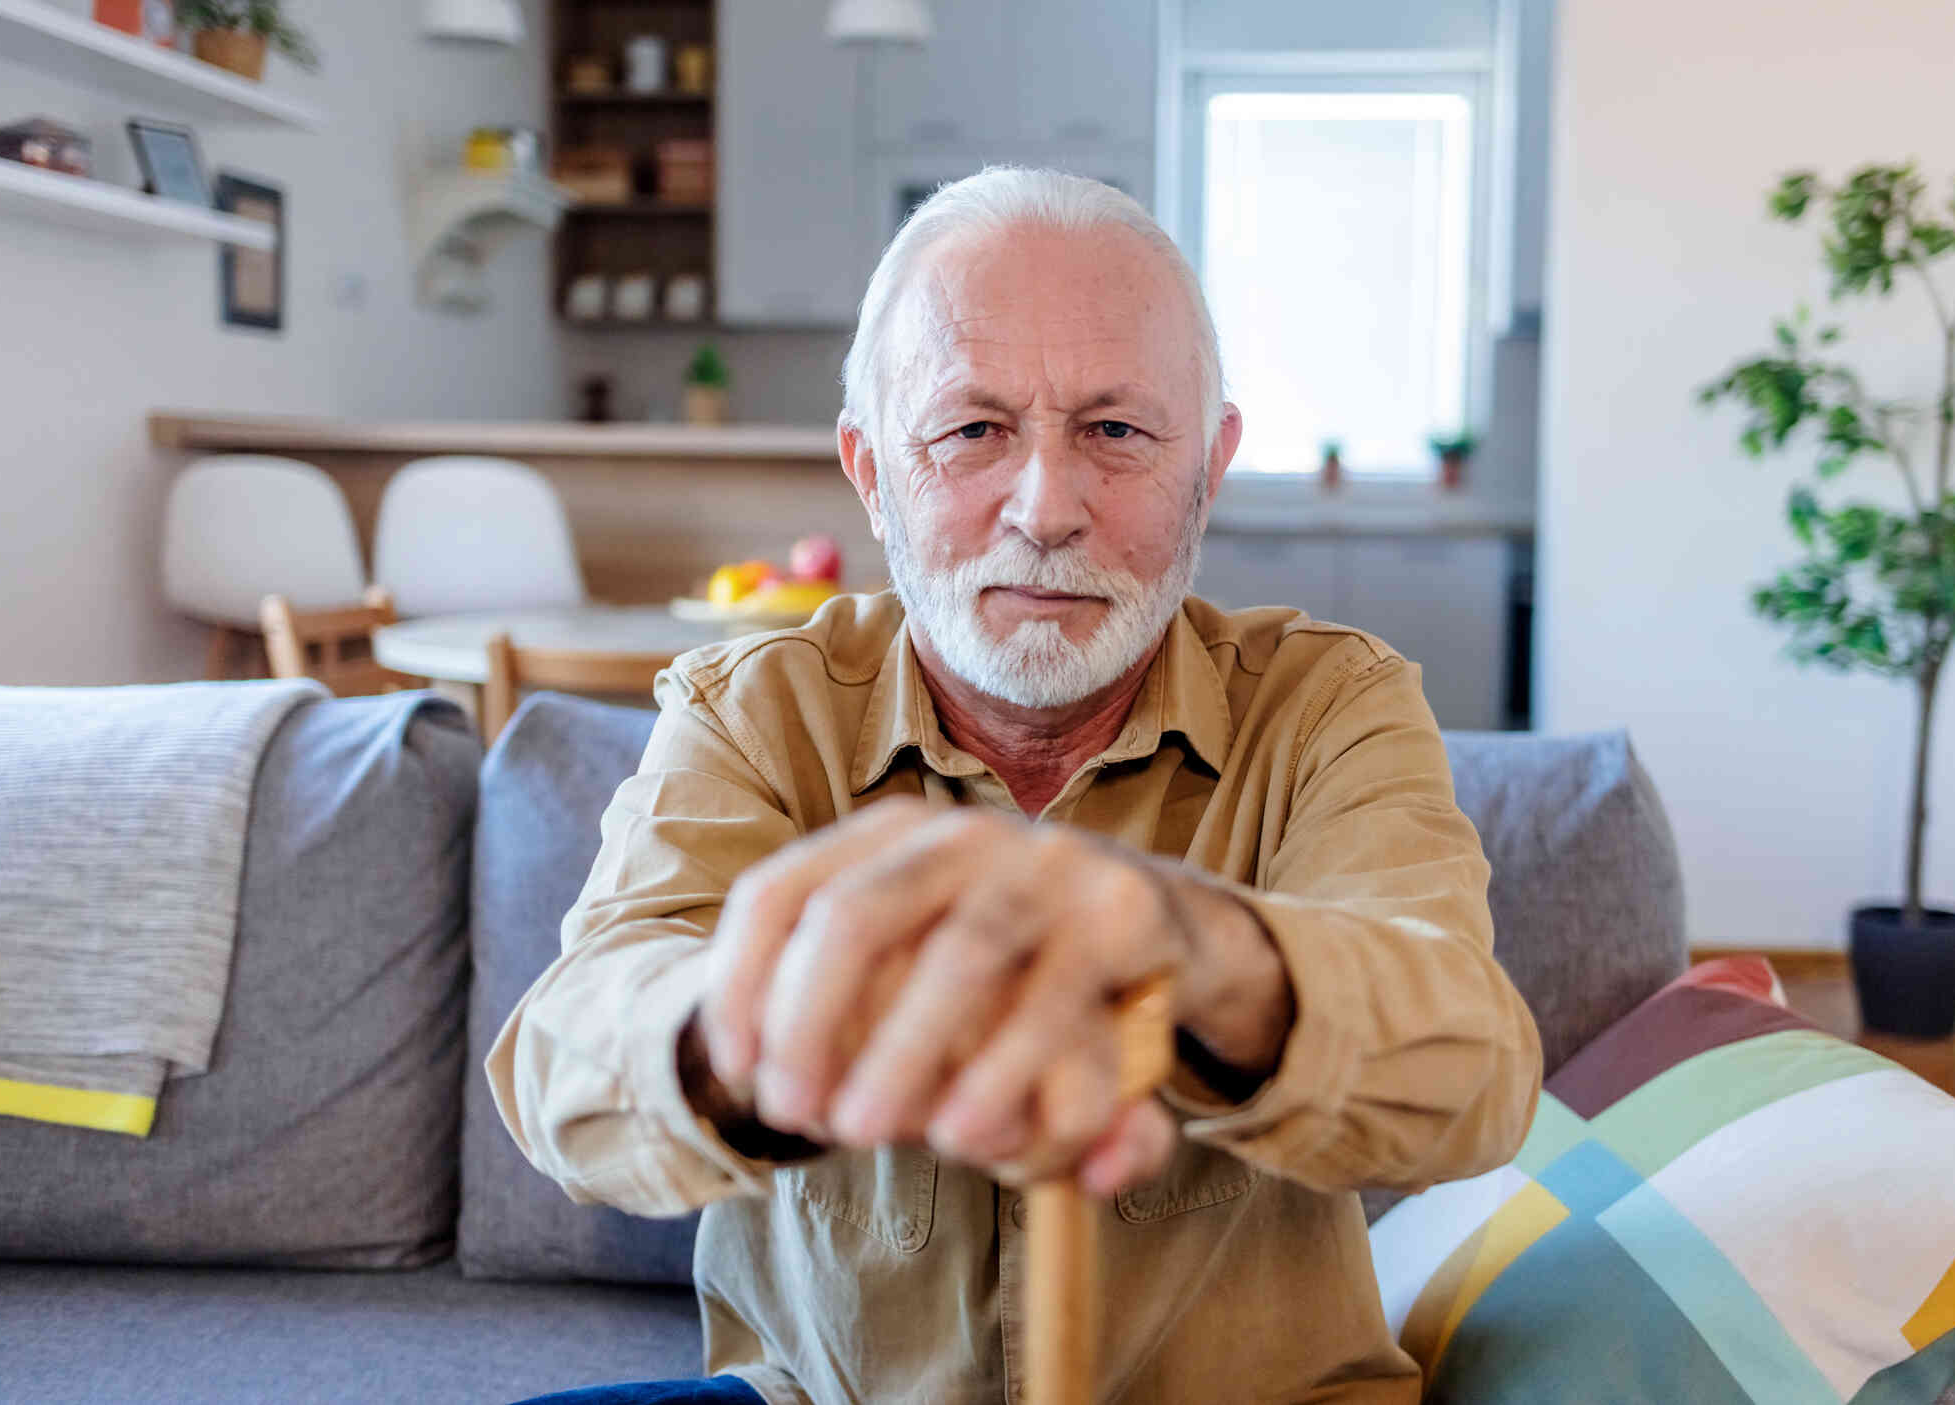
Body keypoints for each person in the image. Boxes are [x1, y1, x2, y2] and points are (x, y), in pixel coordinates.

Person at [486, 166, 1543, 1405]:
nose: (1045, 509)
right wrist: (750, 1018)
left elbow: (1472, 1075)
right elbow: (567, 1070)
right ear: (872, 470)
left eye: (1117, 432)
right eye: (973, 430)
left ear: (1210, 463)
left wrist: (1192, 947)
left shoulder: (1330, 705)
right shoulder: (754, 709)